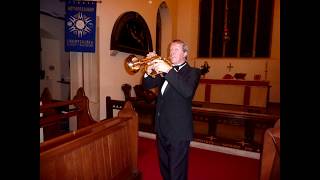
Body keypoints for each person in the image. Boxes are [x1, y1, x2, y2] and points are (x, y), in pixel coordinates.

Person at [143, 39, 201, 180]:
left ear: (185, 53)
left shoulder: (193, 72)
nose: (171, 52)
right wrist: (148, 70)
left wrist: (168, 70)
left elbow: (187, 92)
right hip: (162, 128)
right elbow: (147, 84)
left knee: (177, 171)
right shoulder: (165, 71)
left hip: (178, 131)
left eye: (175, 49)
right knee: (165, 167)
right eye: (170, 50)